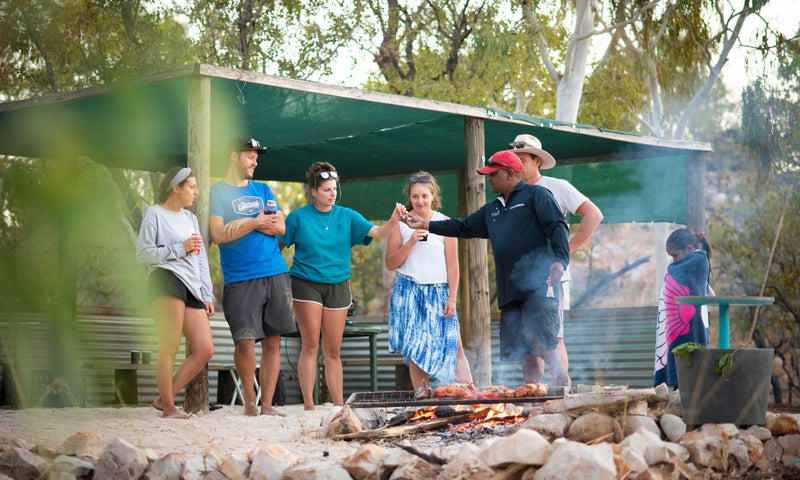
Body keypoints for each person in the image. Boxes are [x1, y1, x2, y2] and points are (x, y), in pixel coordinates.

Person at [404, 151, 570, 386]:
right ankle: (534, 400)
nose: (488, 179)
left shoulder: (537, 195)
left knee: (543, 341)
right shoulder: (492, 209)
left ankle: (563, 387)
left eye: (493, 174)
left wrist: (560, 260)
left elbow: (558, 226)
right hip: (508, 289)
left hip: (539, 284)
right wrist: (425, 224)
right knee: (524, 350)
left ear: (510, 173)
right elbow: (462, 226)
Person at [278, 162, 406, 410]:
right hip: (306, 283)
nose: (332, 194)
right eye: (326, 189)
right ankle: (309, 406)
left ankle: (338, 406)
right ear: (314, 191)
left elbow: (379, 233)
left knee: (333, 350)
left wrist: (393, 220)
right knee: (310, 344)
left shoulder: (347, 216)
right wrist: (279, 278)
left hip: (338, 284)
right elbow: (277, 249)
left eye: (334, 189)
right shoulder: (298, 217)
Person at [508, 133, 604, 387]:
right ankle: (534, 398)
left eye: (522, 159)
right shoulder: (510, 192)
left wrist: (566, 251)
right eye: (514, 160)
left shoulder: (556, 186)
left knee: (551, 338)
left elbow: (593, 214)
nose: (517, 165)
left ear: (537, 161)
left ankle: (560, 393)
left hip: (550, 276)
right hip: (520, 279)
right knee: (526, 344)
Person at [209, 136, 295, 416]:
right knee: (244, 342)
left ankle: (267, 405)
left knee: (273, 341)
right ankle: (249, 402)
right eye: (250, 157)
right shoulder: (217, 192)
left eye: (256, 158)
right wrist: (256, 222)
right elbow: (219, 234)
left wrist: (243, 225)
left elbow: (280, 228)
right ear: (234, 156)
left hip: (276, 272)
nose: (255, 162)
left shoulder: (263, 188)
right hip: (240, 278)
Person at [136, 166, 215, 419]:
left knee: (205, 348)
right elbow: (143, 254)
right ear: (176, 188)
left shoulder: (191, 219)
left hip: (192, 285)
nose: (196, 192)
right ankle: (170, 409)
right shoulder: (154, 214)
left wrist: (206, 294)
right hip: (166, 278)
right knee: (170, 345)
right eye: (192, 187)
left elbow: (200, 258)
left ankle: (164, 399)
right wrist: (180, 248)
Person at [384, 171, 473, 389]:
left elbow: (453, 264)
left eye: (424, 195)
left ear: (433, 195)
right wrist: (411, 242)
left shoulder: (445, 222)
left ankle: (470, 395)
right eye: (415, 196)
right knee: (415, 349)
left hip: (439, 291)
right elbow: (390, 263)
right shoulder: (400, 224)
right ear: (409, 197)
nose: (420, 201)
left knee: (454, 344)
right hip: (409, 290)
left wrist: (452, 298)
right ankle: (423, 397)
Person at [654, 228, 713, 389]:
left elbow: (673, 273)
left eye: (675, 255)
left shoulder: (698, 261)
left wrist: (670, 270)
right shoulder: (691, 262)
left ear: (689, 249)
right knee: (680, 361)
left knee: (688, 363)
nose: (673, 262)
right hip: (676, 327)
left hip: (690, 326)